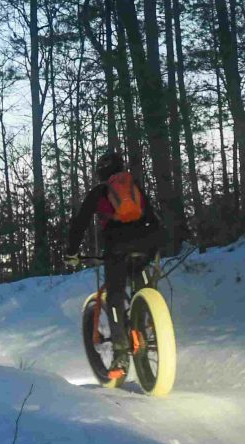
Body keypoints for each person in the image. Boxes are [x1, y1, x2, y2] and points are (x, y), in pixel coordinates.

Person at [61, 150, 168, 380]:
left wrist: (71, 252)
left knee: (115, 296)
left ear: (101, 173)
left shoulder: (100, 192)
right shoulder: (134, 186)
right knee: (139, 272)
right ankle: (146, 316)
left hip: (118, 246)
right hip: (149, 240)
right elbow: (151, 215)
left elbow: (80, 223)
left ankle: (120, 354)